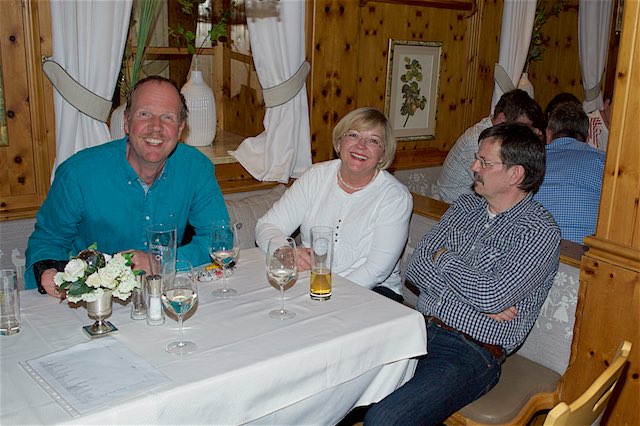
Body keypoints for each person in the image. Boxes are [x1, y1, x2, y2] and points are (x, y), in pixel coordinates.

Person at [364, 123, 561, 425]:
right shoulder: (466, 205)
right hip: (418, 326)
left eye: (484, 162)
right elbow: (416, 268)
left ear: (515, 174)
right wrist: (478, 299)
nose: (473, 167)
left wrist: (444, 258)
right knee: (339, 382)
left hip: (470, 352)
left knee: (385, 419)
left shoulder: (538, 232)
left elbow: (491, 295)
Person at [25, 75, 228, 296]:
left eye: (167, 117)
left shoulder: (197, 168)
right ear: (126, 122)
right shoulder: (77, 173)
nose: (156, 127)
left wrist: (161, 262)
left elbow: (219, 240)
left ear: (180, 129)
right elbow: (47, 242)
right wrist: (47, 271)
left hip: (164, 294)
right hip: (94, 300)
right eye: (145, 114)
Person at [255, 107, 412, 302]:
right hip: (309, 280)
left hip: (371, 291)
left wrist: (327, 291)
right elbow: (267, 225)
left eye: (373, 141)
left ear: (382, 155)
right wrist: (284, 251)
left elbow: (376, 270)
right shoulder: (315, 177)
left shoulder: (395, 197)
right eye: (353, 135)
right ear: (339, 143)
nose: (361, 145)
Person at [434, 89, 545, 203]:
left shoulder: (497, 135)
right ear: (502, 119)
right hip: (449, 205)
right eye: (521, 126)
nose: (524, 132)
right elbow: (496, 186)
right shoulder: (479, 140)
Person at [535, 102, 606, 244]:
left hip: (533, 248)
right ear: (587, 138)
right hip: (585, 253)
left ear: (548, 134)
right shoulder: (605, 163)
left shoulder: (531, 161)